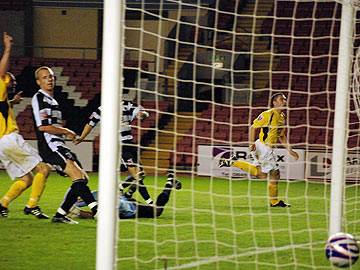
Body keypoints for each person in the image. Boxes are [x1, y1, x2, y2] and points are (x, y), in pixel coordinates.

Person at [31, 66, 98, 224]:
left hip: (58, 145)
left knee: (83, 178)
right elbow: (43, 127)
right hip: (51, 146)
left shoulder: (52, 100)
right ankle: (97, 211)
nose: (49, 79)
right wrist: (67, 131)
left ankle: (60, 215)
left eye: (51, 77)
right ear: (38, 81)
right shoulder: (40, 98)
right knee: (77, 176)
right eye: (45, 77)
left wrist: (66, 134)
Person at [0, 32, 51, 219]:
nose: (11, 83)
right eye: (10, 82)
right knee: (43, 169)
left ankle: (2, 204)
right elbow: (1, 73)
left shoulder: (3, 101)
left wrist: (12, 102)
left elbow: (2, 107)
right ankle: (32, 206)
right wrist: (8, 48)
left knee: (26, 178)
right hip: (9, 138)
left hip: (1, 145)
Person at [219, 92, 299, 207]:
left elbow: (281, 136)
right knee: (274, 174)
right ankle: (274, 202)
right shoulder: (267, 114)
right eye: (281, 99)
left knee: (261, 174)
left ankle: (233, 162)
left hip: (265, 148)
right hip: (263, 147)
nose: (284, 102)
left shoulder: (282, 117)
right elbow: (253, 127)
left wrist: (290, 150)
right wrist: (251, 143)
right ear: (274, 103)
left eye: (285, 99)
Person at [74, 101, 162, 205]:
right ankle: (150, 203)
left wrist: (142, 115)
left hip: (130, 143)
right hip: (118, 146)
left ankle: (121, 188)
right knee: (137, 174)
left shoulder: (127, 105)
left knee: (141, 174)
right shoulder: (102, 109)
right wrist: (82, 137)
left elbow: (142, 112)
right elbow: (90, 124)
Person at [68, 175, 181, 219]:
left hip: (126, 207)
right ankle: (127, 190)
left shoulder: (99, 203)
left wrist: (76, 212)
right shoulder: (95, 196)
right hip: (124, 203)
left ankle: (169, 183)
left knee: (156, 211)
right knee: (155, 210)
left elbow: (92, 214)